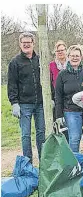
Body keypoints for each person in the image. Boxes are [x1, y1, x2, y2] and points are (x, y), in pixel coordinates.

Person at [7, 32, 45, 163]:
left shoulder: (40, 59)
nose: (27, 45)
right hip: (24, 104)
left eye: (29, 42)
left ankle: (43, 162)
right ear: (20, 44)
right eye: (24, 43)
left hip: (40, 103)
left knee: (41, 134)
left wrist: (48, 98)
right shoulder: (15, 62)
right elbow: (12, 84)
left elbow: (47, 80)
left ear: (33, 44)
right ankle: (28, 163)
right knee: (26, 135)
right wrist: (14, 103)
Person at [55, 44, 83, 157]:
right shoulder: (62, 75)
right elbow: (58, 96)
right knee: (75, 138)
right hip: (70, 111)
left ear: (81, 57)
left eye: (77, 55)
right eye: (72, 55)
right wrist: (59, 115)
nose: (75, 58)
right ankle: (74, 164)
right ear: (68, 56)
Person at [49, 40, 69, 140]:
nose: (60, 52)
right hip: (57, 98)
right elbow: (49, 82)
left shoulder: (71, 64)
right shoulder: (51, 66)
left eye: (62, 50)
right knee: (59, 124)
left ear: (66, 51)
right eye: (58, 51)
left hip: (69, 98)